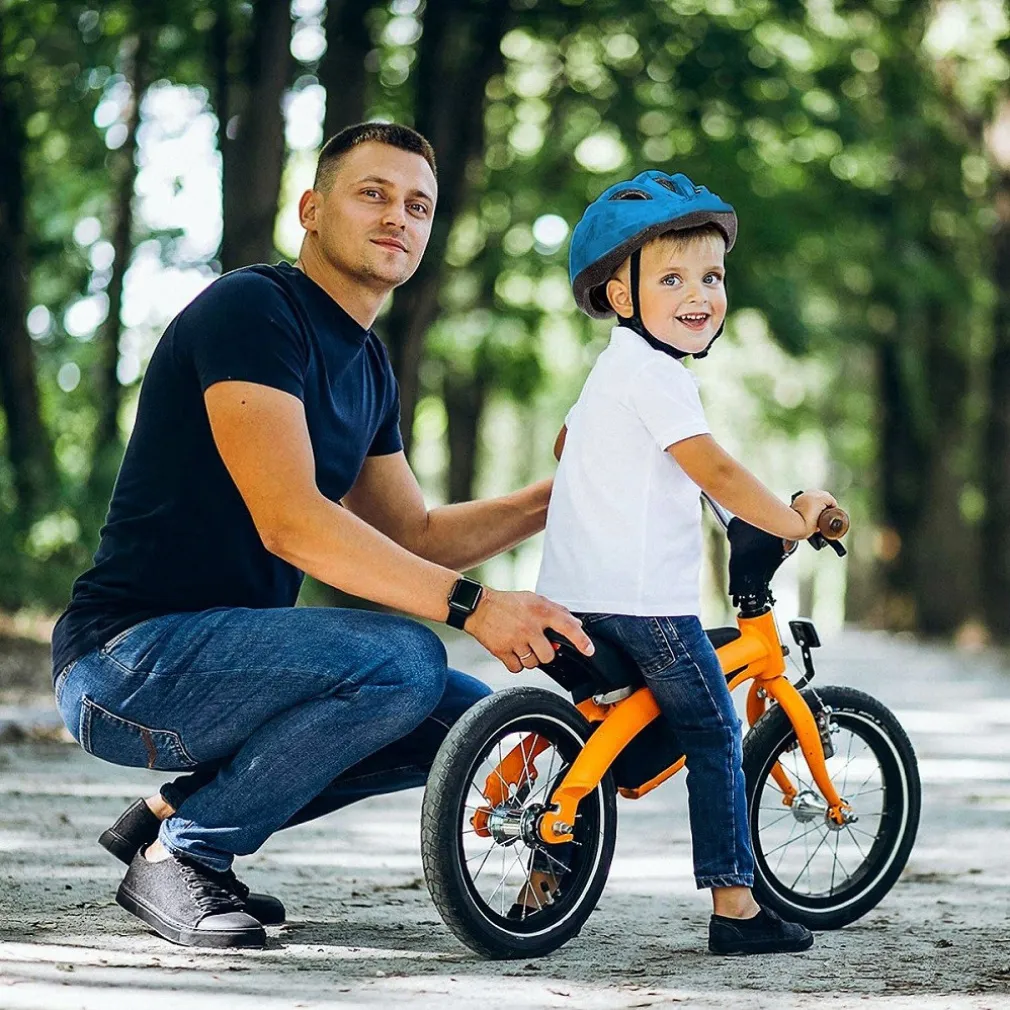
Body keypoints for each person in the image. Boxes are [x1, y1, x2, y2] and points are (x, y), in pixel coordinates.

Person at [50, 122, 593, 950]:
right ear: (310, 209)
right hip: (125, 663)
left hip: (232, 663)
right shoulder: (253, 310)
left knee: (462, 722)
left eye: (418, 205)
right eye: (372, 193)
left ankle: (178, 816)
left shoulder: (369, 366)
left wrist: (564, 492)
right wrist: (475, 609)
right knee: (404, 661)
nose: (397, 217)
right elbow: (292, 520)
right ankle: (185, 856)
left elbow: (416, 534)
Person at [533, 169, 836, 955]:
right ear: (622, 296)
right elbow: (718, 472)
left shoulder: (613, 370)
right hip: (644, 608)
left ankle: (541, 881)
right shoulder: (659, 374)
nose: (699, 292)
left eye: (712, 275)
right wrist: (790, 521)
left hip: (573, 600)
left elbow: (568, 448)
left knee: (599, 735)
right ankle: (736, 908)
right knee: (712, 731)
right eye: (671, 278)